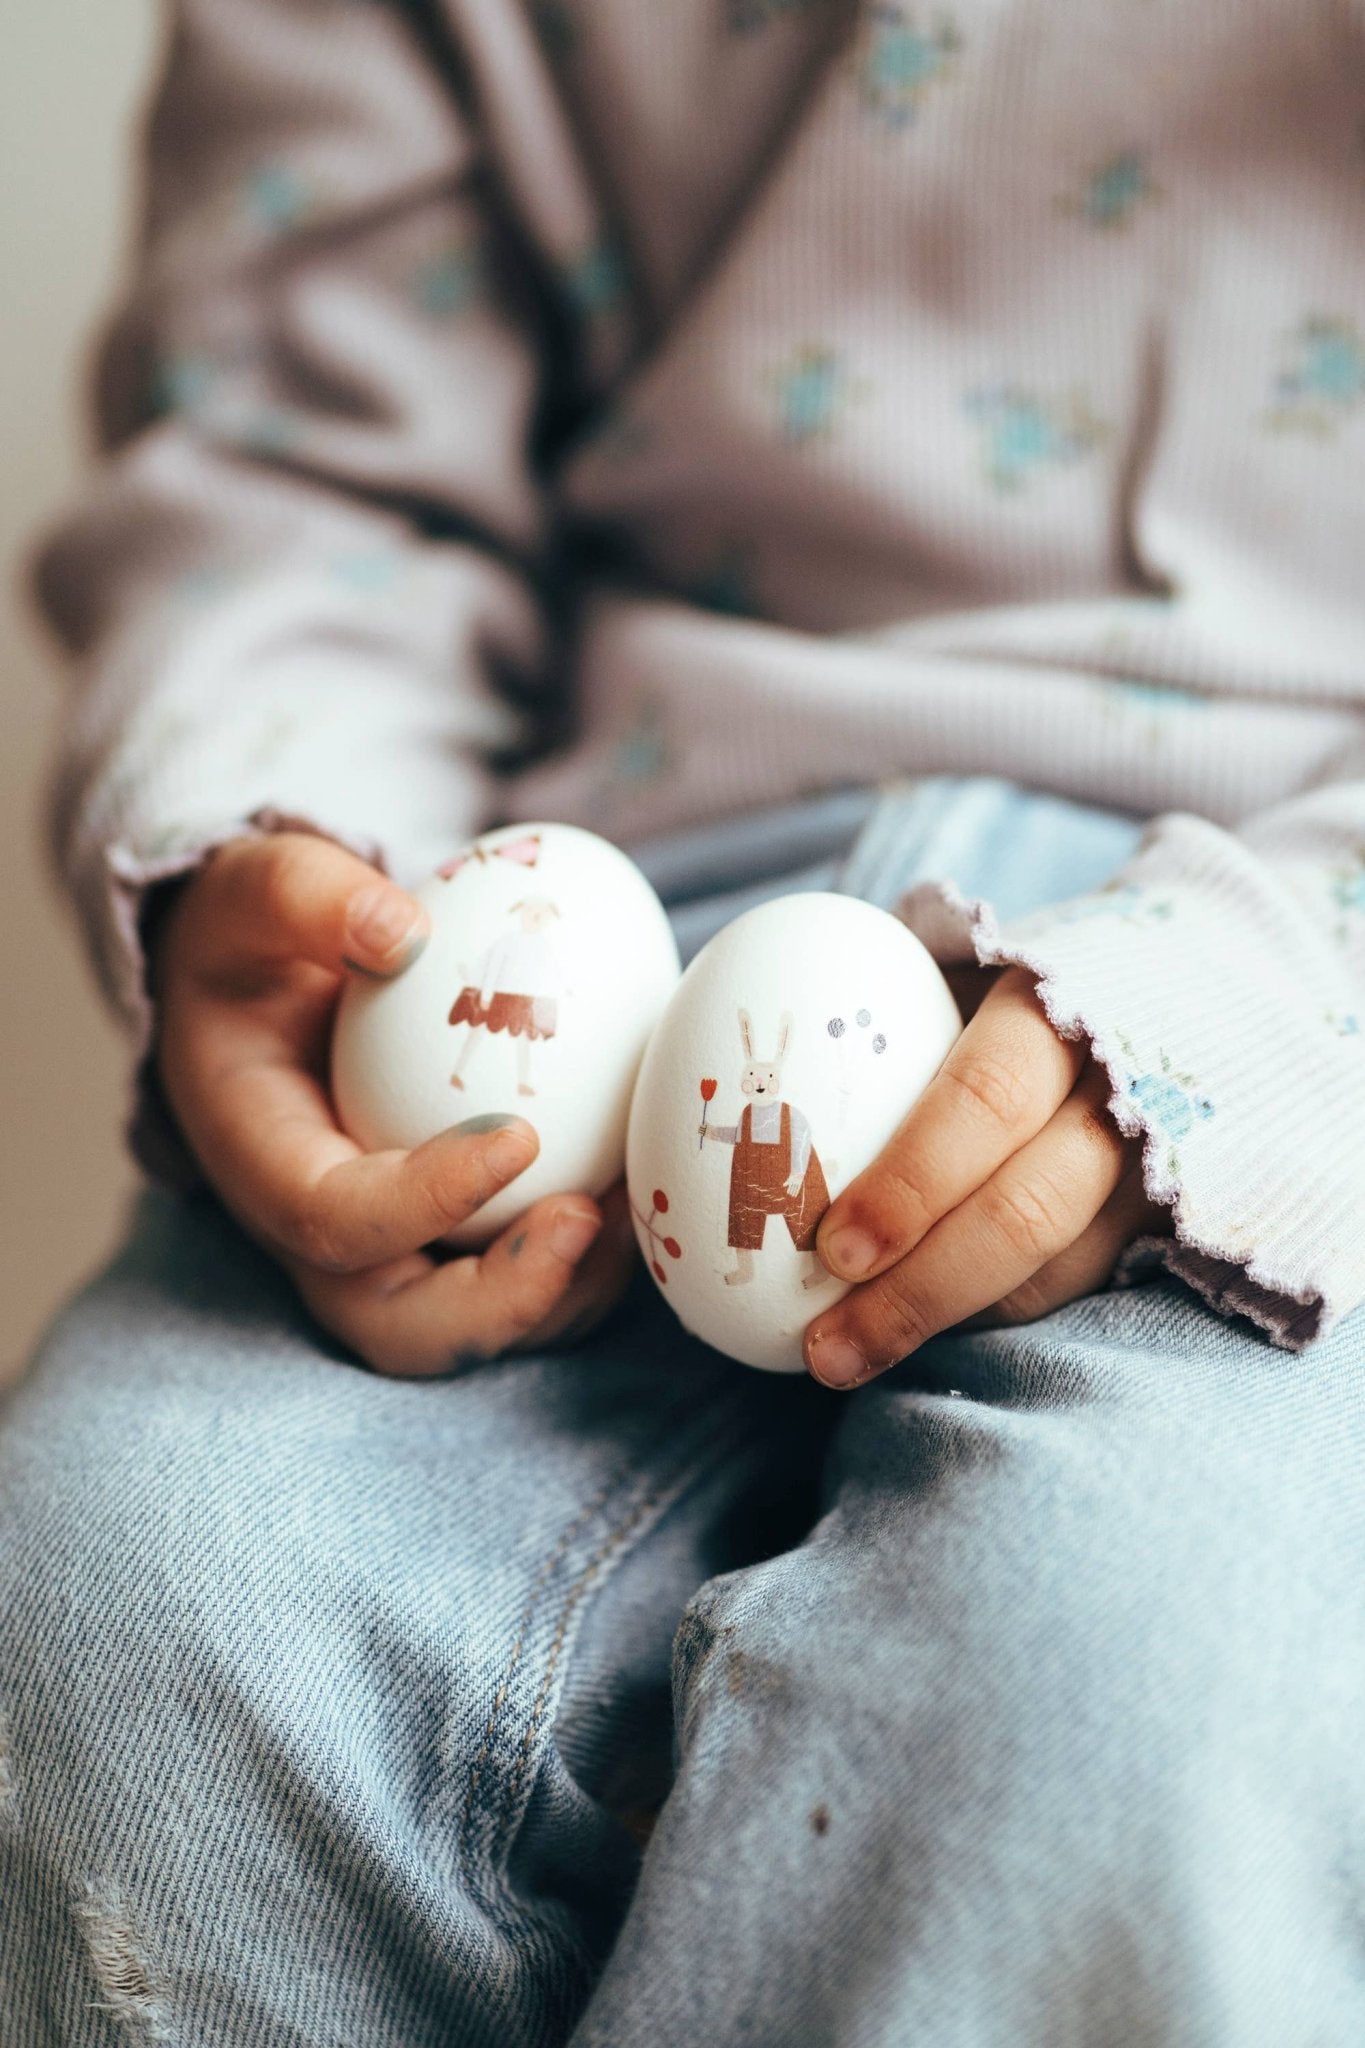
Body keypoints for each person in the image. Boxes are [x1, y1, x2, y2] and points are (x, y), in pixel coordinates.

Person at [4, 3, 1365, 2040]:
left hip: (1297, 959)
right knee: (133, 1595)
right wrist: (271, 846)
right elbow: (295, 452)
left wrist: (1245, 1007)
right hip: (614, 870)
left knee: (1125, 1688)